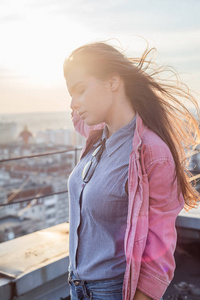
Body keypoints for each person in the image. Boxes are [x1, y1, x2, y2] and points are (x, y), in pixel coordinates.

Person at [63, 41, 200, 300]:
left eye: (80, 90)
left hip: (111, 292)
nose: (72, 103)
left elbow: (160, 248)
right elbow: (79, 115)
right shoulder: (97, 137)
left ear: (113, 81)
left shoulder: (153, 154)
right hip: (76, 286)